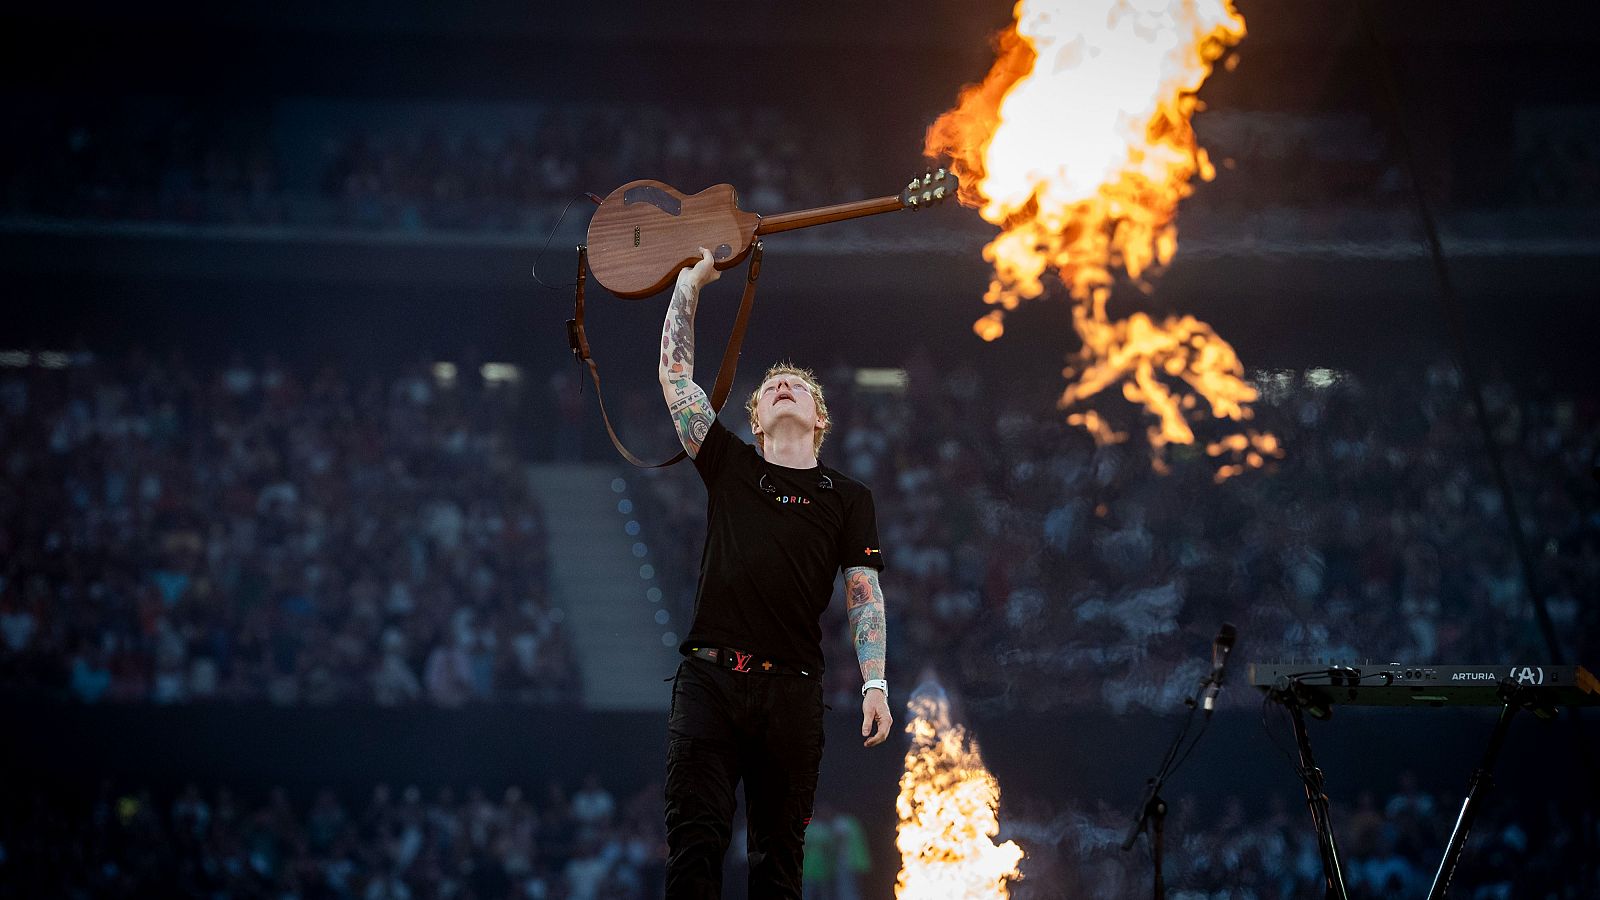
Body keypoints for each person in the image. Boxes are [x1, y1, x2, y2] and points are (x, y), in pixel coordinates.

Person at [657, 248, 893, 898]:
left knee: (778, 860)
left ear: (819, 417)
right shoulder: (730, 464)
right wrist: (689, 286)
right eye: (770, 388)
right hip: (708, 678)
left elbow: (863, 590)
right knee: (695, 844)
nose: (784, 384)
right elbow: (677, 381)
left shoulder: (848, 497)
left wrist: (874, 682)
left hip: (790, 690)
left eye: (800, 386)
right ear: (756, 418)